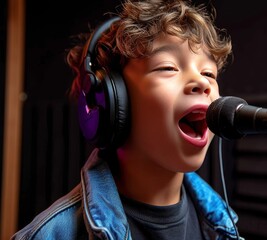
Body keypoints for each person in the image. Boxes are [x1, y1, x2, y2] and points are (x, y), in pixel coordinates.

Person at [12, 0, 243, 239]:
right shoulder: (51, 234)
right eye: (168, 67)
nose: (203, 83)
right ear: (111, 101)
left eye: (209, 73)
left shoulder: (224, 229)